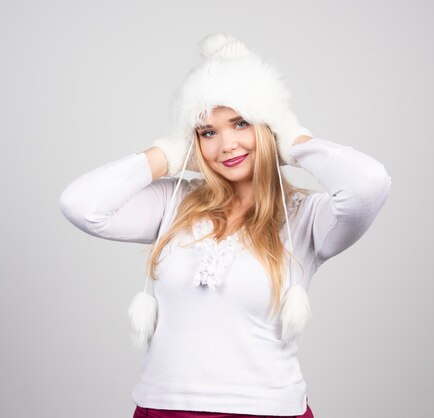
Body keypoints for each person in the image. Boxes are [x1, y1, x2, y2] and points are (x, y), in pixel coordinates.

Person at [59, 33, 392, 418]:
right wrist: (167, 154)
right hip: (162, 408)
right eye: (208, 132)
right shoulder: (174, 202)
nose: (226, 145)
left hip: (266, 410)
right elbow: (80, 205)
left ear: (269, 127)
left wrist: (294, 140)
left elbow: (369, 184)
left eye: (241, 123)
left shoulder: (306, 216)